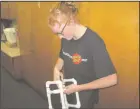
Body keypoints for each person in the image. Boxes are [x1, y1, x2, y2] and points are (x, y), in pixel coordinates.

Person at [48, 2, 118, 109]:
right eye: (56, 34)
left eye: (60, 32)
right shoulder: (67, 37)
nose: (60, 37)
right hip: (70, 90)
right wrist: (56, 68)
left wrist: (78, 88)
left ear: (70, 21)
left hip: (85, 97)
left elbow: (112, 79)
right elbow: (63, 55)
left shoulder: (93, 42)